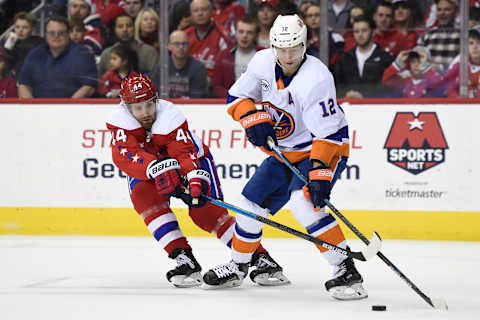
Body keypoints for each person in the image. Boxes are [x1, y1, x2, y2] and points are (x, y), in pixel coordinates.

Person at [202, 14, 367, 301]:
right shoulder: (261, 62)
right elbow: (235, 98)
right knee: (249, 205)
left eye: (294, 49)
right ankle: (240, 265)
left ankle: (345, 268)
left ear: (305, 45)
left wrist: (319, 173)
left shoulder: (317, 78)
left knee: (304, 204)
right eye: (282, 49)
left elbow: (327, 135)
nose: (288, 56)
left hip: (322, 146)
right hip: (284, 152)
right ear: (273, 46)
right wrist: (252, 117)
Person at [106, 73, 289, 287]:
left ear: (156, 100)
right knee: (143, 197)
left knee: (207, 214)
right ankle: (183, 258)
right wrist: (156, 168)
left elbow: (183, 154)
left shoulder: (170, 118)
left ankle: (260, 257)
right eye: (138, 108)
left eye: (148, 105)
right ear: (127, 108)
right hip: (150, 167)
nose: (145, 112)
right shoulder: (121, 125)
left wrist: (193, 178)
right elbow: (125, 155)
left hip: (193, 161)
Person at [18, 15, 97, 98]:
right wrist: (31, 108)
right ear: (46, 34)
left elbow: (89, 87)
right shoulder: (35, 54)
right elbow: (24, 85)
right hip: (40, 108)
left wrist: (68, 107)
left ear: (68, 33)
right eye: (52, 33)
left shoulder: (83, 54)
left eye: (61, 33)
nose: (56, 36)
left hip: (73, 108)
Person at [333, 15, 394, 98]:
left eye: (364, 30)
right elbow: (337, 85)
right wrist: (346, 94)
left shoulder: (385, 58)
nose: (360, 35)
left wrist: (364, 96)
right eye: (356, 31)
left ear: (373, 32)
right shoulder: (345, 58)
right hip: (348, 107)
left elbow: (389, 88)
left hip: (376, 107)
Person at [184, 0, 234, 84]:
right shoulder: (185, 36)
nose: (200, 13)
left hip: (214, 87)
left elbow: (226, 71)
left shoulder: (222, 36)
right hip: (188, 84)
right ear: (191, 15)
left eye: (204, 10)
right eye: (196, 11)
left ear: (211, 12)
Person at [211, 16, 259, 98]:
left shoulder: (264, 55)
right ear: (235, 33)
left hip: (257, 102)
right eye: (241, 32)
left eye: (249, 32)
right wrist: (232, 97)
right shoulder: (223, 55)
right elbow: (216, 86)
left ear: (256, 35)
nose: (244, 36)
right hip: (230, 102)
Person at [151, 30, 209, 98]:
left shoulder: (199, 68)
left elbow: (197, 98)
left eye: (184, 44)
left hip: (190, 107)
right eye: (176, 44)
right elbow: (156, 94)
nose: (181, 47)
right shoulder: (161, 66)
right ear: (169, 46)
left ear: (189, 46)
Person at [417, 0, 460, 73]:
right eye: (439, 10)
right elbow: (417, 63)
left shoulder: (463, 35)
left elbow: (465, 64)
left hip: (453, 81)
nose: (442, 13)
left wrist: (440, 67)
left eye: (447, 10)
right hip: (430, 81)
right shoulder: (426, 35)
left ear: (455, 12)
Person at [1, 11, 43, 76]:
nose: (20, 30)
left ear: (32, 29)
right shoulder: (10, 40)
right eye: (17, 27)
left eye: (25, 27)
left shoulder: (39, 42)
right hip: (11, 79)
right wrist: (5, 42)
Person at [444, 26, 480, 97]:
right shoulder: (460, 64)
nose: (475, 47)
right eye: (471, 43)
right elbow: (447, 84)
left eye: (478, 43)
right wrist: (457, 99)